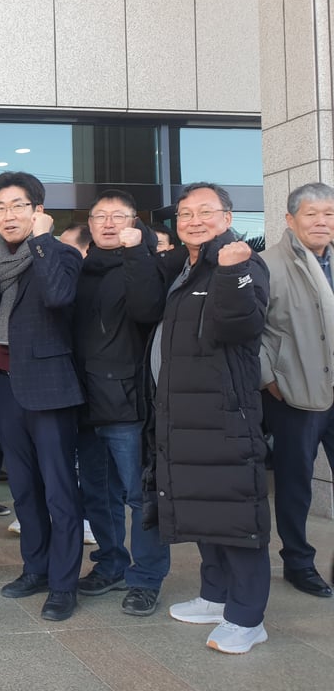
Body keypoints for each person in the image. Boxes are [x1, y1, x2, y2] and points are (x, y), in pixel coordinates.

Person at [147, 182, 271, 654]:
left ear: (227, 216)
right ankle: (216, 596)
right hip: (185, 409)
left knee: (236, 514)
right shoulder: (188, 265)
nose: (193, 220)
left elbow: (239, 325)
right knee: (203, 507)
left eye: (205, 212)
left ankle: (247, 617)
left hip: (223, 412)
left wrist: (233, 272)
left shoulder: (240, 262)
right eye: (184, 213)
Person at [0, 171, 84, 622]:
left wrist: (42, 243)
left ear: (38, 211)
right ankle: (36, 568)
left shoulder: (59, 253)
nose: (8, 215)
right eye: (0, 208)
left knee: (59, 491)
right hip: (6, 386)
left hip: (48, 388)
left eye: (18, 206)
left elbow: (59, 297)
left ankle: (64, 584)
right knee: (24, 490)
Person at [72, 190, 171, 617]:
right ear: (90, 225)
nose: (109, 223)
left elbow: (148, 309)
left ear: (135, 222)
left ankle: (146, 578)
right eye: (100, 216)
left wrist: (136, 256)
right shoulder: (79, 270)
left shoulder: (147, 264)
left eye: (119, 216)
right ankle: (110, 564)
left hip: (129, 404)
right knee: (98, 495)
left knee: (139, 496)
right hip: (83, 401)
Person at [259, 182, 334, 598]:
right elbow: (255, 332)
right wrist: (270, 379)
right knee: (295, 484)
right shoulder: (268, 264)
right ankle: (298, 562)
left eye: (328, 213)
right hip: (294, 394)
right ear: (290, 220)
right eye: (312, 213)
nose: (322, 221)